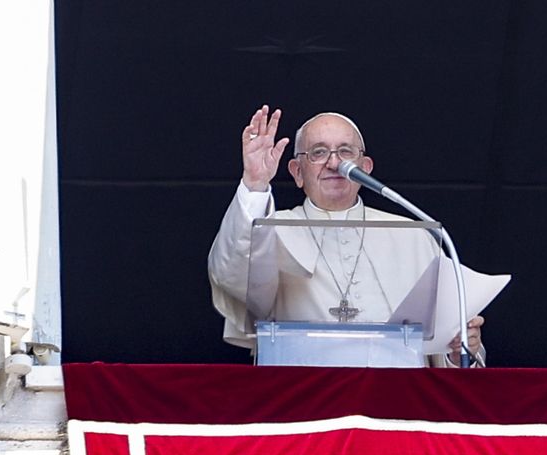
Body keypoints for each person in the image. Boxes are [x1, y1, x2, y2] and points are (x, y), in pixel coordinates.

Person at [208, 105, 485, 367]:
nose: (334, 163)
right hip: (305, 402)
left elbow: (448, 349)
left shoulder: (414, 235)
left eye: (345, 151)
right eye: (318, 152)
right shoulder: (270, 230)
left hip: (397, 404)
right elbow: (232, 274)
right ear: (297, 172)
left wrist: (461, 349)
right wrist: (255, 185)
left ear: (365, 167)